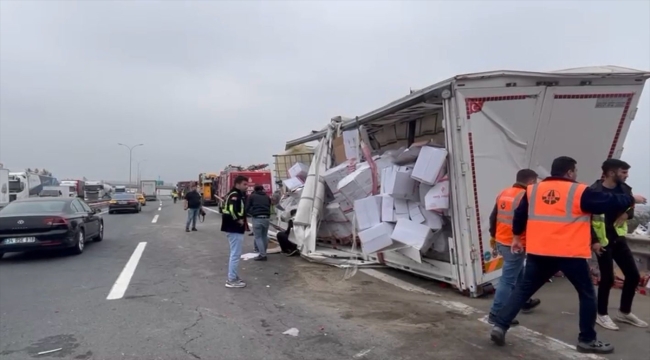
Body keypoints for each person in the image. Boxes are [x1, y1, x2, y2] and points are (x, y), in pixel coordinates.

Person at [489, 156, 643, 354]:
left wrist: (517, 237)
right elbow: (608, 202)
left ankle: (500, 326)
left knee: (523, 290)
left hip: (540, 251)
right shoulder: (579, 191)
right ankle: (587, 339)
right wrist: (631, 199)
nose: (576, 174)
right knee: (587, 294)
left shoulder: (533, 190)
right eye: (575, 171)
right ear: (570, 172)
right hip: (569, 252)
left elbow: (519, 215)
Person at [590, 159, 648, 330]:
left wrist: (627, 214)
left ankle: (624, 312)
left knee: (633, 275)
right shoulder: (594, 191)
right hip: (602, 240)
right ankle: (601, 314)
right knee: (607, 278)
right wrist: (593, 241)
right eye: (623, 172)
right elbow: (587, 219)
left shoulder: (624, 188)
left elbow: (630, 207)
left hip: (618, 239)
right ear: (610, 173)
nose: (627, 175)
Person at [487, 169, 541, 326]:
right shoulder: (527, 196)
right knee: (507, 281)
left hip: (502, 240)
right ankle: (496, 313)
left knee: (519, 275)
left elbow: (493, 216)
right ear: (530, 182)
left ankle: (524, 301)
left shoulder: (504, 192)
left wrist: (493, 236)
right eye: (535, 182)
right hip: (516, 243)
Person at [221, 175, 249, 288]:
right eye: (244, 184)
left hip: (233, 228)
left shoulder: (236, 195)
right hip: (234, 227)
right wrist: (238, 220)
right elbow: (232, 209)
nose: (247, 187)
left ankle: (233, 276)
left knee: (235, 253)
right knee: (235, 254)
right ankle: (231, 279)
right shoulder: (235, 195)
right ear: (237, 184)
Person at [247, 185, 272, 261]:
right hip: (266, 218)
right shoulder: (267, 196)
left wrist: (252, 213)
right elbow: (269, 205)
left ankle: (262, 255)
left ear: (255, 189)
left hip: (257, 218)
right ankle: (264, 252)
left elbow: (247, 207)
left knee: (258, 237)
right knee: (264, 236)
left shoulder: (252, 196)